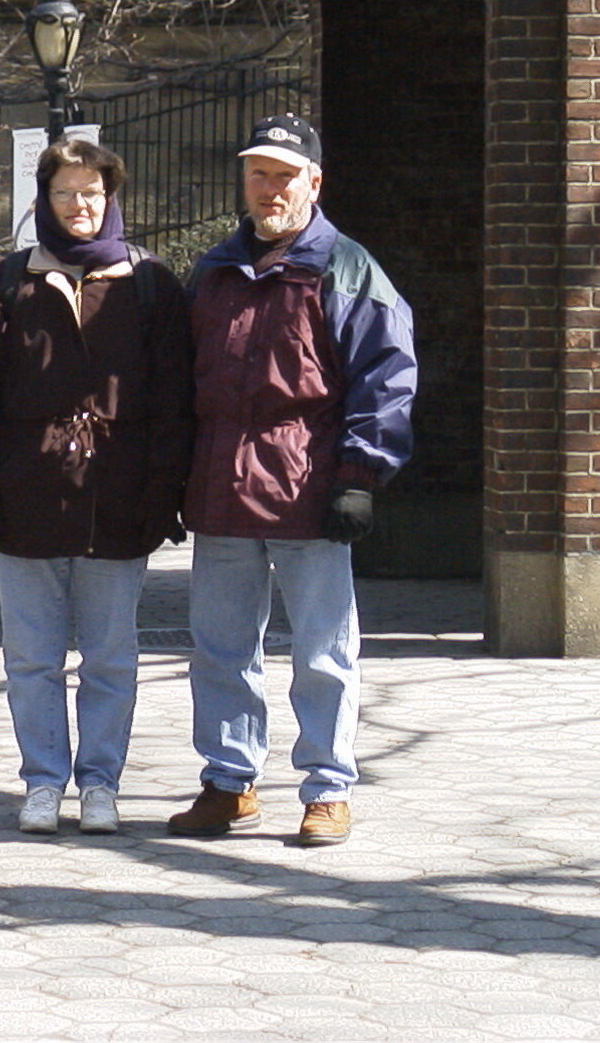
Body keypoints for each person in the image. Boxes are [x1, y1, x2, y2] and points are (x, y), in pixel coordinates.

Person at [168, 114, 417, 848]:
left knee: (322, 652)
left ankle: (327, 787)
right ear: (243, 182)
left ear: (314, 181)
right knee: (219, 649)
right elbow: (182, 380)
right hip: (221, 490)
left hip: (312, 491)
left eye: (285, 175)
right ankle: (227, 781)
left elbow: (387, 376)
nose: (270, 188)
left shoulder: (347, 268)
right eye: (258, 174)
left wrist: (360, 475)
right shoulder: (213, 272)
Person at [0, 137, 193, 835]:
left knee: (112, 654)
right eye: (65, 193)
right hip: (28, 493)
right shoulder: (10, 281)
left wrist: (164, 487)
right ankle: (42, 781)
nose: (79, 205)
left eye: (91, 192)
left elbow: (175, 397)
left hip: (119, 498)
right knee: (31, 657)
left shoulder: (151, 284)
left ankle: (100, 784)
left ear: (110, 196)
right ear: (44, 200)